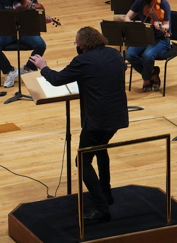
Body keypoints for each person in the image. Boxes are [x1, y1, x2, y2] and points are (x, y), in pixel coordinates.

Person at [29, 26, 128, 222]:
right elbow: (116, 70)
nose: (76, 46)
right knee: (100, 149)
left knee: (82, 162)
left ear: (82, 45)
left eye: (76, 43)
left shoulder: (82, 60)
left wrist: (43, 66)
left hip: (97, 120)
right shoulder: (114, 54)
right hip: (117, 117)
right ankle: (106, 194)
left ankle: (101, 209)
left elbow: (57, 80)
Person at [0, 0, 48, 88]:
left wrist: (31, 10)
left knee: (41, 45)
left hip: (25, 31)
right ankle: (10, 71)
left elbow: (35, 18)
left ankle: (28, 68)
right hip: (8, 31)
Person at [124, 0, 171, 92]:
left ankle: (146, 79)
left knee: (147, 56)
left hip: (161, 38)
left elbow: (167, 26)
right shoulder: (140, 1)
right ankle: (153, 73)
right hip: (145, 37)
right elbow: (127, 17)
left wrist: (159, 27)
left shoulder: (163, 2)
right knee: (129, 55)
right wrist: (132, 27)